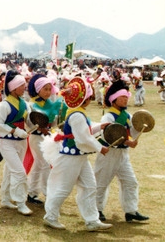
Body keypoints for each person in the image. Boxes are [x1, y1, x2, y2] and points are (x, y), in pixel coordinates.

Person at [42, 76, 113, 231]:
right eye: (89, 96)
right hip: (71, 157)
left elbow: (83, 133)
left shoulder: (78, 113)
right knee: (63, 188)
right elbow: (83, 137)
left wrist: (100, 126)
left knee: (89, 186)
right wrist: (100, 148)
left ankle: (92, 219)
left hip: (78, 156)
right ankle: (51, 216)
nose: (91, 98)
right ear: (85, 99)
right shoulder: (77, 115)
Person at [95, 80, 149, 223]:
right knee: (102, 182)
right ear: (114, 100)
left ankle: (131, 210)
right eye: (122, 97)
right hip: (109, 153)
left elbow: (132, 132)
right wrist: (127, 141)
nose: (125, 99)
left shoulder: (129, 116)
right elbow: (109, 135)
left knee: (130, 182)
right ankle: (96, 209)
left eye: (126, 97)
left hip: (123, 155)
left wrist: (137, 132)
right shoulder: (108, 117)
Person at [0, 70, 33, 216]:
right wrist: (15, 131)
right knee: (19, 172)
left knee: (10, 171)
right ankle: (21, 202)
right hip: (7, 142)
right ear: (14, 88)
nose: (24, 87)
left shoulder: (25, 104)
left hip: (22, 142)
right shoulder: (4, 105)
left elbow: (28, 121)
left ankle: (6, 198)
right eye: (22, 85)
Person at [26, 74, 63, 205]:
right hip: (36, 138)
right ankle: (48, 194)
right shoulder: (31, 104)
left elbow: (52, 121)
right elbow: (29, 123)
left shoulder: (50, 103)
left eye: (49, 89)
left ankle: (32, 193)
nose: (48, 92)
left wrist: (53, 130)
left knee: (38, 165)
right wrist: (41, 129)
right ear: (38, 89)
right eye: (45, 89)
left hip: (46, 138)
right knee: (45, 164)